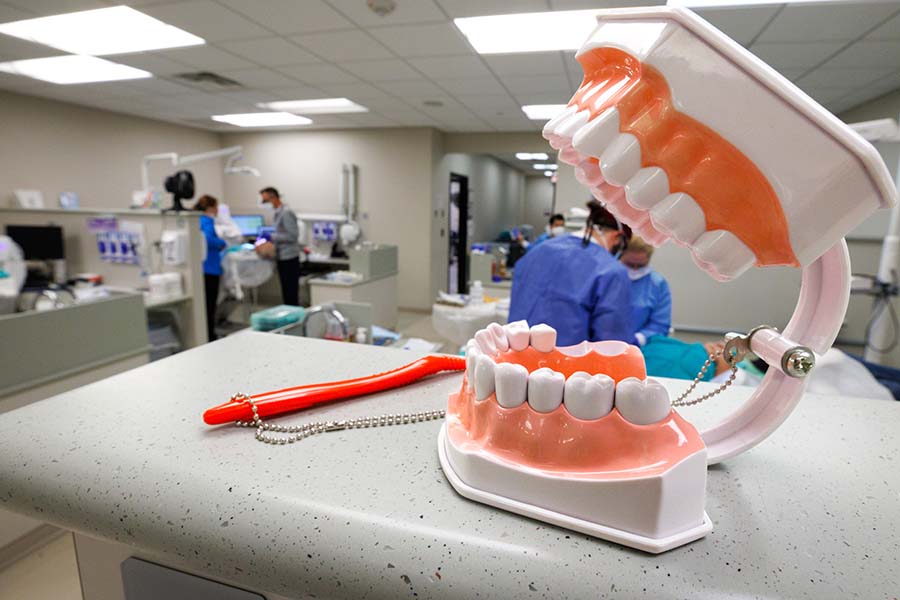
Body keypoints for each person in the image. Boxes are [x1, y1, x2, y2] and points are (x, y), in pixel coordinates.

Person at [508, 200, 634, 346]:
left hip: (518, 360)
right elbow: (613, 345)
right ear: (617, 237)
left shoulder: (537, 251)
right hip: (567, 366)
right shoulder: (611, 271)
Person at [620, 236, 672, 346]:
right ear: (620, 255)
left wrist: (638, 339)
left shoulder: (658, 284)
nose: (634, 270)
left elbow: (660, 326)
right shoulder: (606, 278)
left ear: (648, 260)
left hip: (641, 349)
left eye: (640, 266)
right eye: (629, 264)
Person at [259, 187, 301, 306]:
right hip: (282, 256)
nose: (263, 204)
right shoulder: (277, 213)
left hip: (289, 257)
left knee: (290, 294)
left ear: (273, 198)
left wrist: (271, 237)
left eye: (264, 201)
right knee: (286, 292)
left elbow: (293, 236)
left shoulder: (286, 213)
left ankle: (294, 320)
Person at [195, 194, 226, 342]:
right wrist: (221, 243)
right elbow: (208, 239)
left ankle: (206, 333)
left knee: (204, 304)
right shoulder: (207, 221)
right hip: (211, 268)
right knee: (210, 305)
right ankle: (210, 335)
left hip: (201, 268)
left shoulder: (196, 220)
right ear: (210, 207)